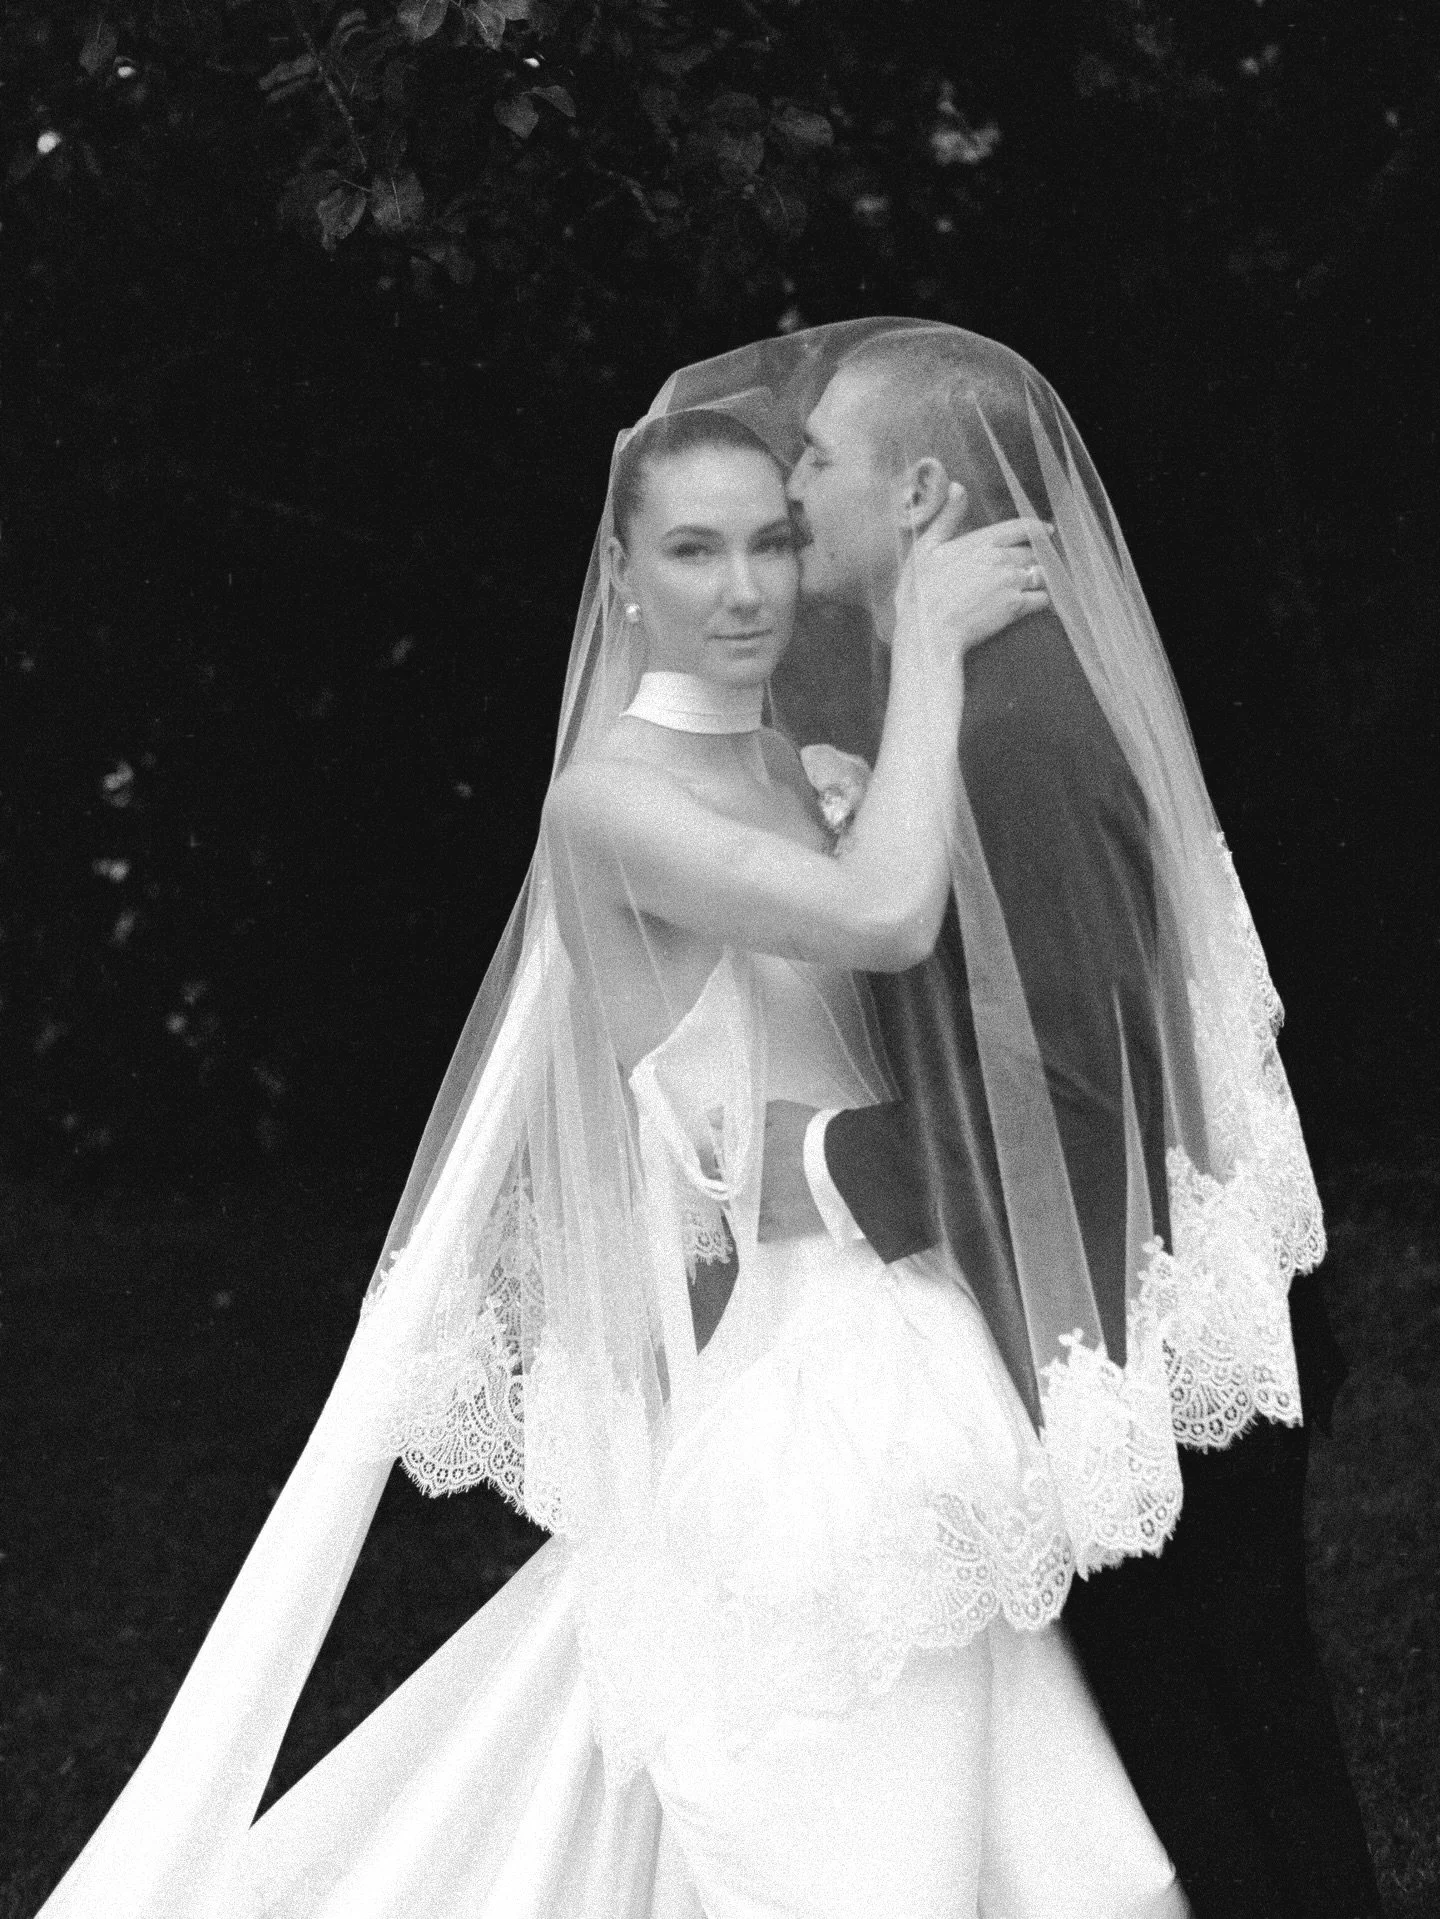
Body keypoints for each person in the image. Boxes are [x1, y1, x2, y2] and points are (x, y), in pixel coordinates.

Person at [33, 354, 1195, 1919]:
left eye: (774, 540)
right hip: (814, 1387)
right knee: (854, 1848)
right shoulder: (610, 805)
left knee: (964, 1830)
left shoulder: (802, 767)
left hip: (903, 1334)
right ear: (625, 577)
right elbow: (883, 914)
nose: (747, 589)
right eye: (693, 550)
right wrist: (921, 644)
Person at [759, 323, 1381, 1919]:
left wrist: (827, 1166)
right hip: (1146, 1278)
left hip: (1130, 1313)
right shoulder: (958, 691)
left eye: (817, 457)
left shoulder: (1006, 725)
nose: (789, 481)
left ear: (918, 490)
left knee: (1205, 1744)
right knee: (1236, 1725)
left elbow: (1079, 1074)